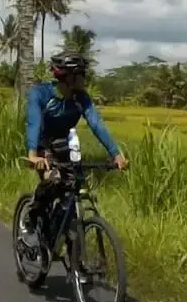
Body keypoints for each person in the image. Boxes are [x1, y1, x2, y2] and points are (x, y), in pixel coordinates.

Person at [22, 52, 127, 236]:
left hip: (65, 146)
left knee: (74, 188)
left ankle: (63, 236)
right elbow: (34, 123)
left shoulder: (81, 98)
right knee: (52, 179)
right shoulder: (41, 93)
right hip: (43, 146)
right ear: (68, 77)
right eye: (81, 75)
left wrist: (115, 153)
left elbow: (96, 124)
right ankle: (33, 212)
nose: (85, 79)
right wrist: (33, 154)